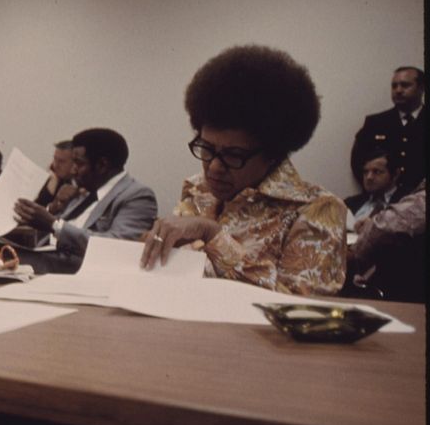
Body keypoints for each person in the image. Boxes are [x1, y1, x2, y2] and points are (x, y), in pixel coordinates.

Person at [141, 44, 347, 297]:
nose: (214, 167)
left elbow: (303, 308)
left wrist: (213, 235)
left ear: (274, 154)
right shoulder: (199, 191)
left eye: (233, 155)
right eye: (206, 148)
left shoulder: (317, 210)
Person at [13, 128, 157, 274]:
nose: (73, 170)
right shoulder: (84, 192)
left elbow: (117, 247)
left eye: (79, 164)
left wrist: (54, 224)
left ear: (102, 165)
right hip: (46, 258)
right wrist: (52, 209)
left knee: (0, 258)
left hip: (76, 271)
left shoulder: (137, 195)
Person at [348, 178, 425, 303]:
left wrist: (353, 254)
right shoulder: (352, 201)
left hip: (406, 297)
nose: (369, 177)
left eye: (377, 172)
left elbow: (383, 228)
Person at [350, 66, 425, 195]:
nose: (398, 90)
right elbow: (358, 161)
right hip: (380, 201)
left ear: (422, 88)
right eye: (394, 86)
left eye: (405, 85)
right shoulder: (375, 123)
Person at [344, 146, 403, 229]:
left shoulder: (407, 203)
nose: (369, 177)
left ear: (395, 175)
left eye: (377, 172)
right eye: (365, 172)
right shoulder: (349, 203)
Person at [35, 140, 77, 211]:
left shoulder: (80, 186)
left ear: (75, 163)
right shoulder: (53, 180)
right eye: (55, 159)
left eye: (61, 161)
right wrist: (51, 187)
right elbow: (36, 208)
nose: (55, 165)